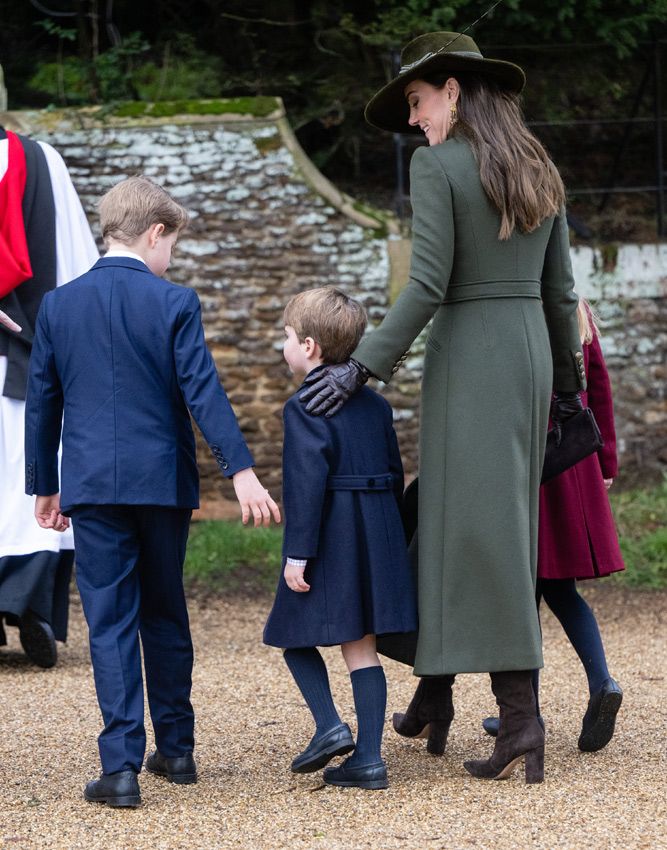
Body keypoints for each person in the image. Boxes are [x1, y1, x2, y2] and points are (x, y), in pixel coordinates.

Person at [300, 31, 588, 784]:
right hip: (524, 357)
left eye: (419, 101)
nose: (416, 119)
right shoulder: (534, 166)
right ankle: (435, 690)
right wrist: (566, 386)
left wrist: (360, 367)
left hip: (470, 359)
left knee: (481, 536)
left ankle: (520, 720)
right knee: (463, 524)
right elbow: (560, 293)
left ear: (453, 91)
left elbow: (426, 284)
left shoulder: (438, 166)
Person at [24, 175, 280, 808]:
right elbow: (203, 393)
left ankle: (119, 769)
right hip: (161, 483)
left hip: (91, 485)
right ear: (155, 233)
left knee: (109, 622)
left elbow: (42, 404)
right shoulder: (174, 302)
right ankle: (179, 749)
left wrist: (44, 486)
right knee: (165, 610)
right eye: (173, 245)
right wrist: (240, 470)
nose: (172, 261)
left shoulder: (58, 306)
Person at [263, 287, 417, 791]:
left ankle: (330, 725)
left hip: (332, 532)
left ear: (308, 346)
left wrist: (298, 554)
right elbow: (394, 473)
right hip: (377, 531)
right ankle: (369, 759)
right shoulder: (375, 405)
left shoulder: (303, 405)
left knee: (290, 633)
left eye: (286, 337)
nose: (282, 347)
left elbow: (306, 486)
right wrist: (392, 540)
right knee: (361, 644)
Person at [482, 299, 624, 751]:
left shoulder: (517, 311)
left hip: (532, 462)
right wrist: (606, 459)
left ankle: (527, 718)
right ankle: (601, 682)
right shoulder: (576, 313)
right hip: (575, 460)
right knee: (561, 589)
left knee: (526, 593)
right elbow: (598, 388)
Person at [1, 126, 99, 668]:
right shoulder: (42, 161)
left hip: (25, 354)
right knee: (26, 483)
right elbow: (76, 261)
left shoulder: (42, 160)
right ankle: (30, 606)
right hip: (29, 347)